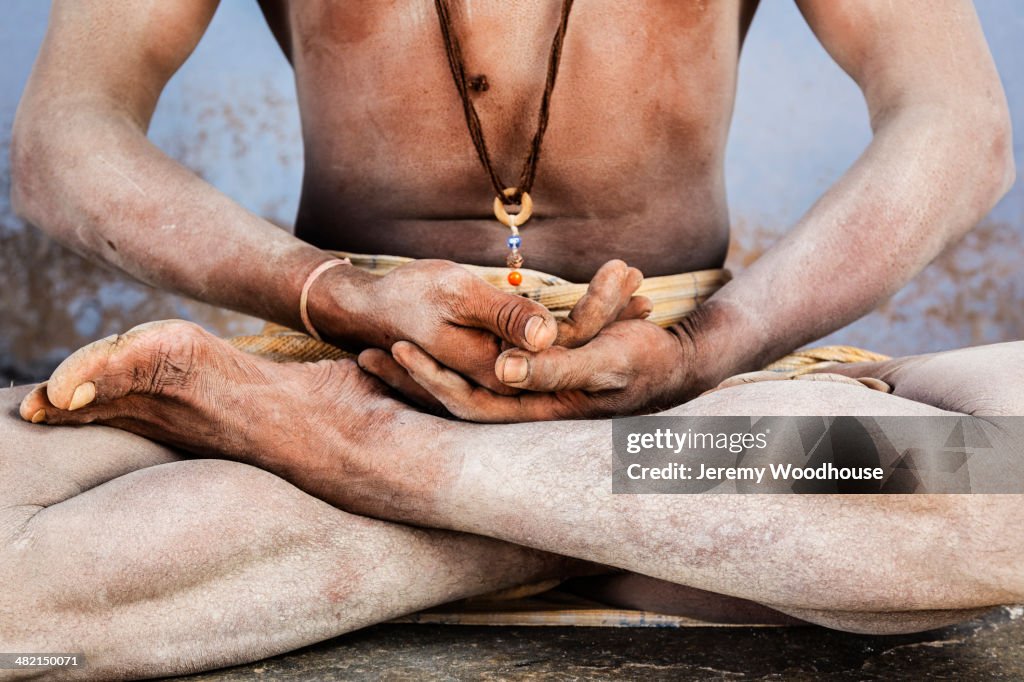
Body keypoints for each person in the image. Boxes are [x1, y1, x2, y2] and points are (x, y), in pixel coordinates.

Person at [2, 0, 1019, 677]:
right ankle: (636, 531)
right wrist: (334, 293)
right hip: (348, 357)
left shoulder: (702, 362)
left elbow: (957, 122)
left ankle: (378, 461)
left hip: (690, 377)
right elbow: (64, 136)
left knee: (1011, 486)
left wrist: (706, 349)